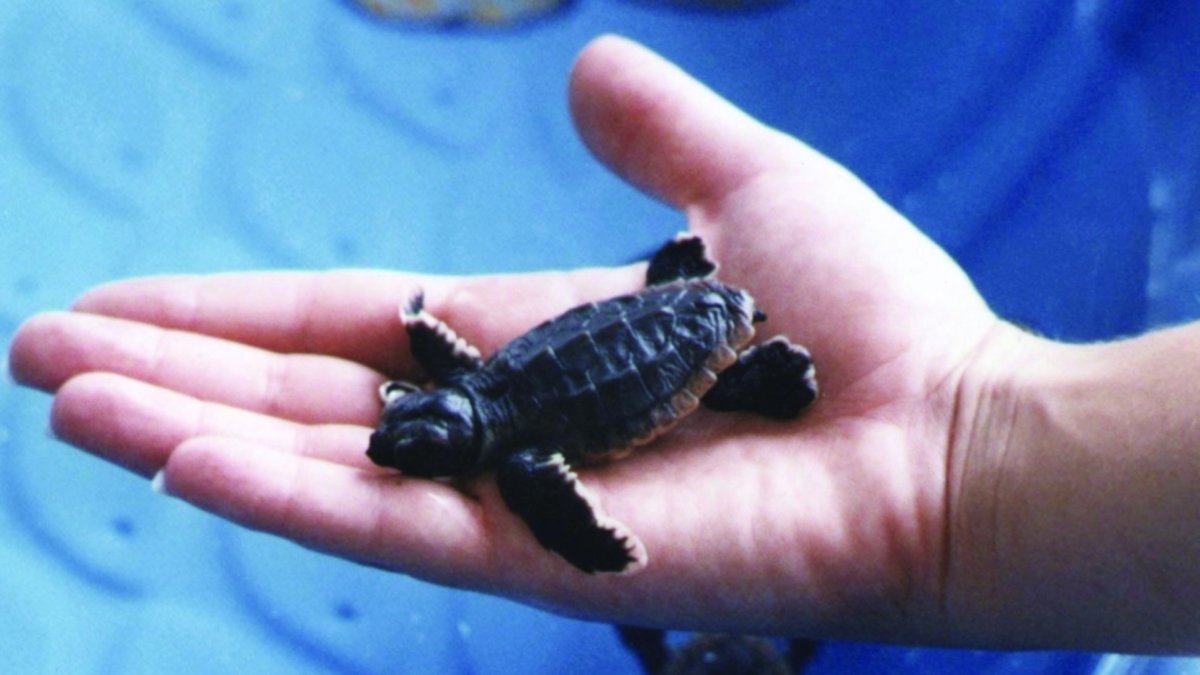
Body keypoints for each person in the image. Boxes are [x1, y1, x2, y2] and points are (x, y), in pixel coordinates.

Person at [9, 35, 1200, 654]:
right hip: (651, 326)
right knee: (651, 351)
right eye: (411, 445)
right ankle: (739, 353)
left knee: (731, 381)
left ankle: (755, 372)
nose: (404, 442)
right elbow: (436, 359)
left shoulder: (520, 457)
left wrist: (592, 538)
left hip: (680, 343)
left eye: (409, 440)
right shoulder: (481, 398)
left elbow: (496, 432)